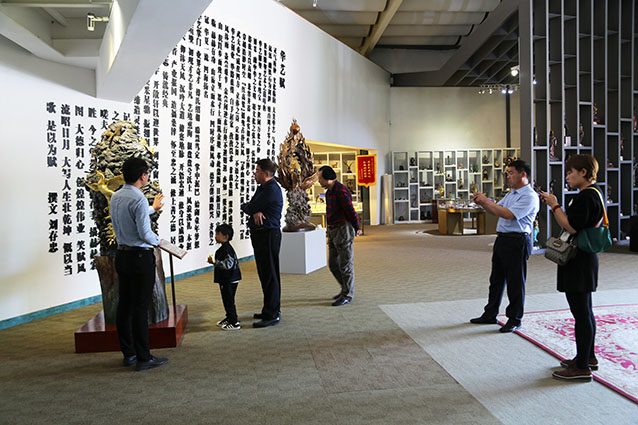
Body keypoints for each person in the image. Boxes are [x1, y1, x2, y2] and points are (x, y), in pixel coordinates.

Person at [539, 154, 603, 381]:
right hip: (585, 258)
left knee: (581, 313)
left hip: (579, 260)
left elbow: (571, 226)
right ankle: (588, 357)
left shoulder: (586, 197)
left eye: (570, 172)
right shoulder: (594, 193)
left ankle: (582, 367)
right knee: (585, 310)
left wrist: (554, 205)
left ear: (583, 172)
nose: (567, 177)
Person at [110, 156, 168, 371]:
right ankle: (144, 357)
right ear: (142, 176)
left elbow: (131, 215)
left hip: (122, 256)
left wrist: (152, 208)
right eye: (147, 173)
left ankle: (129, 354)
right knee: (141, 307)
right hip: (140, 258)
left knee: (124, 305)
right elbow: (145, 233)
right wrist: (159, 242)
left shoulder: (116, 196)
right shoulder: (139, 199)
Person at [469, 159, 539, 332]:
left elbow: (508, 214)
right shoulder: (511, 194)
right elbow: (495, 210)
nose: (508, 176)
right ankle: (490, 313)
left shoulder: (529, 196)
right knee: (496, 280)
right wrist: (483, 202)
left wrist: (486, 201)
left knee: (515, 282)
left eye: (511, 173)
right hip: (503, 239)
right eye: (508, 173)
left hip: (517, 241)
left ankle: (515, 319)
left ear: (523, 175)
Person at [241, 158, 284, 328]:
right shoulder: (264, 188)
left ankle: (272, 314)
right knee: (265, 274)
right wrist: (254, 209)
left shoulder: (271, 189)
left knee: (270, 275)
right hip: (262, 235)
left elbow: (250, 207)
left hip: (268, 235)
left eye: (257, 170)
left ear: (266, 173)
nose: (254, 173)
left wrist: (254, 209)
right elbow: (249, 206)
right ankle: (269, 310)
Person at [318, 166, 362, 306]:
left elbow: (350, 210)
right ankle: (345, 288)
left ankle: (347, 294)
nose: (319, 181)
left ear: (328, 178)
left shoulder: (341, 191)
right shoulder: (329, 192)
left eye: (320, 178)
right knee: (333, 264)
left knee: (345, 264)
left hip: (343, 230)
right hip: (333, 230)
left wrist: (357, 227)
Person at [207, 224, 242, 331]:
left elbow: (228, 265)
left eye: (218, 234)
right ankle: (229, 318)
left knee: (229, 300)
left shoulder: (227, 249)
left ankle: (234, 322)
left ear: (226, 237)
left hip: (229, 279)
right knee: (227, 300)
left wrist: (215, 262)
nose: (215, 236)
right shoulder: (224, 248)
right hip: (227, 279)